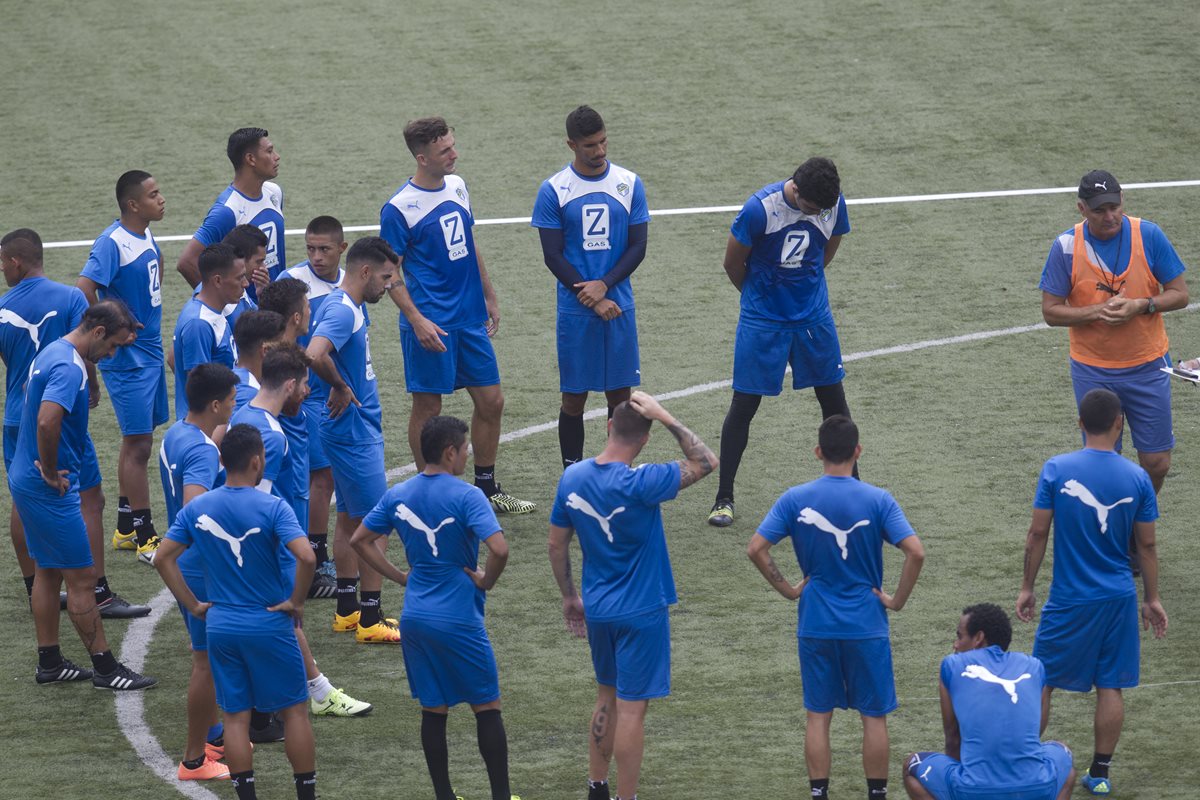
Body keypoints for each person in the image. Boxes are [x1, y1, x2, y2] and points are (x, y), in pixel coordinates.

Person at [549, 391, 716, 800]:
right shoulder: (645, 481)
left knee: (606, 695)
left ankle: (596, 786)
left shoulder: (573, 479)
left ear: (608, 427)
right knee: (633, 709)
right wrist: (665, 416)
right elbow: (707, 461)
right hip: (642, 612)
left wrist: (570, 597)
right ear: (643, 440)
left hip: (599, 609)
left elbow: (556, 545)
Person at [746, 415, 924, 800]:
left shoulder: (795, 498)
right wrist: (896, 600)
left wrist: (790, 591)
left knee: (818, 715)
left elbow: (756, 548)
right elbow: (916, 552)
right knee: (873, 717)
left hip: (816, 623)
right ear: (858, 451)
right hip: (866, 625)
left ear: (818, 452)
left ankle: (819, 794)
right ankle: (876, 794)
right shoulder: (878, 499)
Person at [351, 416, 517, 800]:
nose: (467, 454)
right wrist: (485, 580)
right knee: (487, 707)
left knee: (433, 710)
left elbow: (360, 540)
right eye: (465, 448)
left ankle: (444, 795)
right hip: (458, 620)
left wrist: (399, 577)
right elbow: (500, 549)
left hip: (416, 618)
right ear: (450, 452)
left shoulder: (398, 494)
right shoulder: (467, 496)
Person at [154, 424, 318, 800]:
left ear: (223, 461)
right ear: (258, 461)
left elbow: (163, 558)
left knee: (234, 718)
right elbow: (307, 556)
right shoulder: (273, 506)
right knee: (294, 713)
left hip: (222, 626)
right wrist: (297, 600)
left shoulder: (198, 507)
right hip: (270, 622)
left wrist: (194, 605)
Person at [1017, 388, 1167, 796]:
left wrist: (1027, 587)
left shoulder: (1057, 469)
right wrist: (1151, 599)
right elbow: (1148, 546)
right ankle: (1100, 773)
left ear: (1080, 424)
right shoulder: (1137, 477)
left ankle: (1026, 764)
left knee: (1042, 678)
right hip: (1119, 595)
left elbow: (1037, 532)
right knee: (1110, 684)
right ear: (1121, 423)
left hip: (1070, 598)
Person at [381, 116, 534, 514]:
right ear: (422, 157)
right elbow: (388, 271)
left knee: (492, 401)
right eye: (445, 150)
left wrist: (489, 294)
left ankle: (485, 487)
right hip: (432, 322)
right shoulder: (399, 208)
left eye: (453, 145)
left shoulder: (458, 185)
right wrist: (416, 319)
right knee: (428, 409)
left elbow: (469, 240)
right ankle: (426, 495)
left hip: (469, 319)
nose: (454, 154)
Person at [4, 229, 151, 620]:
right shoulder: (70, 298)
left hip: (17, 414)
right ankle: (97, 591)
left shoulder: (2, 307)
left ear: (15, 262)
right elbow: (84, 348)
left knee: (25, 501)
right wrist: (94, 385)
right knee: (90, 497)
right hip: (58, 412)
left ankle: (36, 586)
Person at [8, 300, 156, 689]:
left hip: (24, 478)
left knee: (47, 571)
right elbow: (46, 419)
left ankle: (50, 663)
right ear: (99, 333)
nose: (111, 355)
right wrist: (51, 467)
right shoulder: (69, 366)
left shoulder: (53, 350)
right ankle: (106, 669)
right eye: (114, 346)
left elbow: (28, 390)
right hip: (46, 488)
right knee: (83, 579)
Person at [707, 157, 853, 528]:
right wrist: (760, 299)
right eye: (809, 207)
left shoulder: (832, 202)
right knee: (744, 403)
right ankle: (724, 497)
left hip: (812, 318)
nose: (815, 213)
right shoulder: (760, 210)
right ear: (795, 189)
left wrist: (805, 288)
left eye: (821, 209)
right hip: (763, 320)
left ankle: (852, 487)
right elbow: (732, 263)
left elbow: (826, 252)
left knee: (834, 402)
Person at [1039, 169, 1188, 494]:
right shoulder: (1066, 246)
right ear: (1082, 209)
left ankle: (1136, 519)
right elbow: (1050, 311)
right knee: (1103, 462)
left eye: (1113, 206)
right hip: (1093, 371)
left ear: (1122, 200)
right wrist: (1096, 311)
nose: (1109, 216)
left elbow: (1180, 294)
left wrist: (1141, 305)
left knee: (1157, 462)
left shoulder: (1148, 235)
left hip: (1148, 365)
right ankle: (1116, 533)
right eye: (1099, 210)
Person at [531, 105, 650, 468]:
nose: (599, 152)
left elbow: (638, 246)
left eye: (603, 143)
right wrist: (591, 296)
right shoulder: (554, 190)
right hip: (575, 310)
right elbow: (553, 255)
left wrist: (606, 285)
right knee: (574, 399)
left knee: (620, 396)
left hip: (618, 303)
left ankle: (617, 471)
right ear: (571, 145)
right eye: (589, 146)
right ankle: (573, 474)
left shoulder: (629, 183)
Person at [305, 236, 399, 643]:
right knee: (377, 525)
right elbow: (314, 353)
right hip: (353, 431)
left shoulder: (347, 305)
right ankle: (370, 618)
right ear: (364, 272)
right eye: (385, 277)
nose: (389, 285)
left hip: (349, 430)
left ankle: (347, 609)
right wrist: (341, 387)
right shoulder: (343, 310)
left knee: (348, 519)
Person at [77, 171, 171, 559]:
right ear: (133, 204)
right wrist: (112, 325)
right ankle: (146, 535)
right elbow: (85, 288)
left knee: (140, 439)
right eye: (153, 194)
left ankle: (124, 525)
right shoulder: (112, 241)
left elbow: (156, 265)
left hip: (147, 350)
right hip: (128, 359)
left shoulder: (143, 232)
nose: (161, 198)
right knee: (138, 443)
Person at [159, 362, 240, 780]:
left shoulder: (176, 433)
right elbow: (195, 510)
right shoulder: (202, 451)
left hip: (189, 563)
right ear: (214, 404)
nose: (234, 404)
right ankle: (194, 760)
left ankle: (212, 736)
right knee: (205, 665)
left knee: (205, 660)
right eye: (230, 399)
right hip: (200, 567)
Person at [903, 603, 1075, 800]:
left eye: (960, 636)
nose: (955, 644)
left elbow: (952, 738)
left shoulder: (952, 665)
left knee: (911, 765)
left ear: (978, 638)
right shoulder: (1035, 666)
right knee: (1065, 761)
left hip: (973, 789)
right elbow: (1035, 733)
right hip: (1036, 785)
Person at [277, 216, 348, 581]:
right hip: (305, 399)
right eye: (310, 249)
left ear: (342, 249)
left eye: (324, 249)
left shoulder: (349, 285)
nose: (316, 257)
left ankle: (312, 553)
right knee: (317, 477)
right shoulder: (292, 283)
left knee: (325, 477)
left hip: (332, 397)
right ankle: (315, 555)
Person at [257, 277, 335, 599]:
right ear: (297, 318)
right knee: (286, 503)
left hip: (293, 444)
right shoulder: (279, 366)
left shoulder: (287, 355)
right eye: (307, 306)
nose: (310, 310)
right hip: (285, 448)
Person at [176, 127, 283, 301]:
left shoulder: (274, 193)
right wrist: (225, 306)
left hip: (273, 308)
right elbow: (187, 262)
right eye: (269, 151)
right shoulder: (227, 211)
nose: (276, 156)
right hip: (245, 319)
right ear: (250, 159)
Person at [172, 242, 247, 425]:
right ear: (218, 281)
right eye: (240, 278)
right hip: (207, 429)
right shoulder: (199, 324)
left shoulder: (215, 311)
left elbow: (172, 357)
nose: (246, 284)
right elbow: (201, 389)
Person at [231, 310, 286, 409]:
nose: (286, 354)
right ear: (266, 351)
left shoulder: (235, 378)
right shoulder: (250, 395)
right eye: (282, 348)